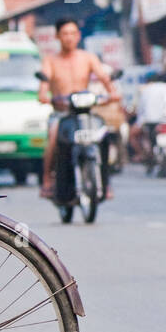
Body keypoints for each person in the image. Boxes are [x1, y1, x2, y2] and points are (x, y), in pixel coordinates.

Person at [37, 18, 120, 199]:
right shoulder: (50, 61)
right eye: (65, 34)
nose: (69, 38)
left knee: (103, 136)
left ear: (78, 36)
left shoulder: (88, 58)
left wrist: (112, 93)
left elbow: (104, 78)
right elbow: (43, 87)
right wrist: (44, 96)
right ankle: (47, 181)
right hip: (62, 112)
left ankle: (105, 182)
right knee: (53, 136)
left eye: (73, 33)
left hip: (85, 111)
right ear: (58, 36)